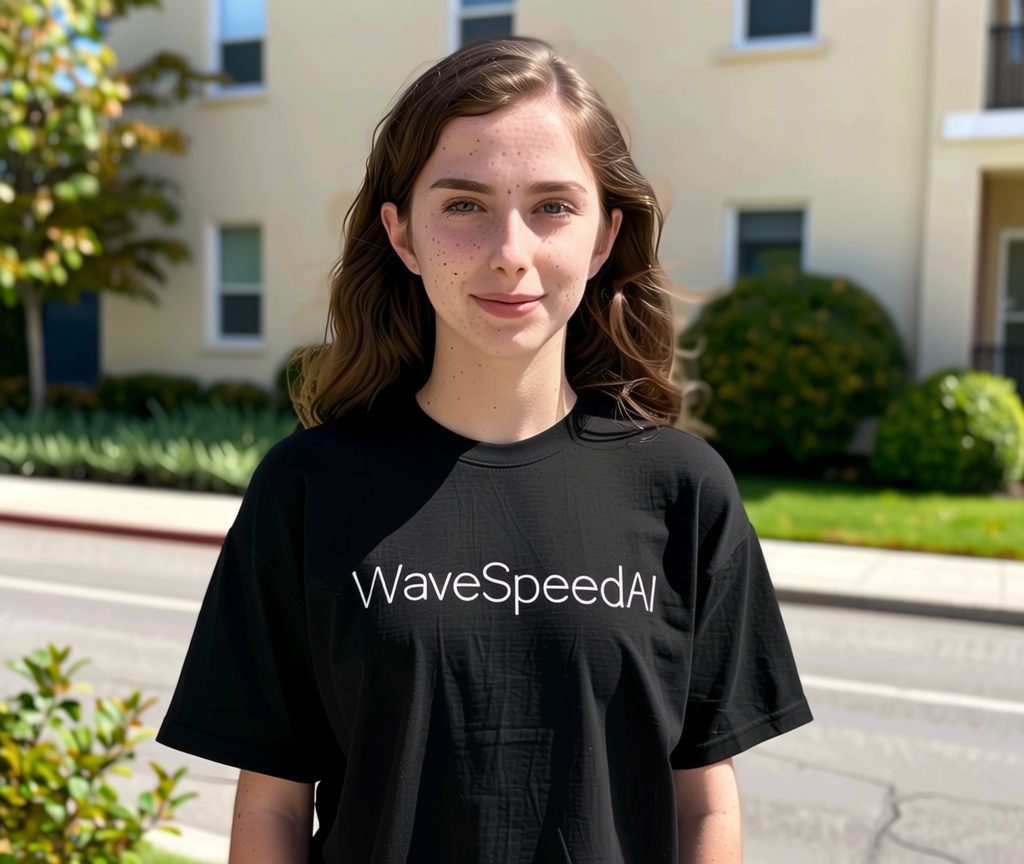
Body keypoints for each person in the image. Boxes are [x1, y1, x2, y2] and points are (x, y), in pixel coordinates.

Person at [157, 37, 812, 864]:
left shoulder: (682, 490)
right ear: (402, 235)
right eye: (464, 205)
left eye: (553, 206)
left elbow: (704, 809)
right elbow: (273, 812)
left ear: (604, 238)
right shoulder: (308, 488)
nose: (510, 249)